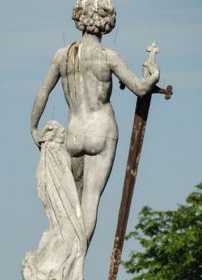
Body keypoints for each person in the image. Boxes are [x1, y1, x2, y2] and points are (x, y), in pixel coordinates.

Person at [31, 0, 160, 245]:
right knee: (90, 200)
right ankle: (76, 259)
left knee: (72, 204)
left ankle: (64, 258)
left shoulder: (61, 56)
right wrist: (153, 72)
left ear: (79, 19)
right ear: (107, 22)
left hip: (74, 133)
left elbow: (42, 93)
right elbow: (140, 88)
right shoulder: (107, 56)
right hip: (101, 131)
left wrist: (33, 127)